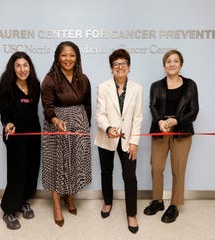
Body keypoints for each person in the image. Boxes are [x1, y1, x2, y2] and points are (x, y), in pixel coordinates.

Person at [143, 49, 199, 223]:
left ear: (181, 64)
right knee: (156, 167)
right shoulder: (156, 85)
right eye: (168, 61)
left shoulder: (190, 85)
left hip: (181, 131)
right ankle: (158, 200)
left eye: (175, 61)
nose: (172, 64)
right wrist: (160, 121)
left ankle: (174, 205)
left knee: (178, 170)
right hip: (161, 130)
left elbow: (194, 111)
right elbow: (152, 106)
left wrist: (176, 121)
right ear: (164, 65)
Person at [41, 41, 92, 227]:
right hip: (56, 125)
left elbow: (87, 105)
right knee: (57, 165)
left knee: (75, 162)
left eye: (72, 55)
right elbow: (47, 108)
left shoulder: (83, 79)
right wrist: (56, 121)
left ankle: (70, 197)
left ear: (77, 57)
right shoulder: (49, 79)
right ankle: (56, 204)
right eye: (64, 55)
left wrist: (85, 126)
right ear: (57, 57)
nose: (68, 59)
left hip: (79, 125)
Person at [95, 49, 143, 234]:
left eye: (123, 63)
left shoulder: (137, 88)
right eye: (116, 64)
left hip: (128, 140)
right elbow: (100, 114)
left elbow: (137, 117)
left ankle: (131, 213)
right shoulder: (103, 86)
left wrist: (134, 141)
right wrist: (108, 129)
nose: (120, 67)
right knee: (106, 172)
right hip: (107, 137)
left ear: (129, 67)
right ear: (111, 68)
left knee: (130, 177)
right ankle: (107, 202)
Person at [0, 51, 41, 230]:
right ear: (12, 69)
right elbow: (4, 115)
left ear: (30, 67)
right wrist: (7, 125)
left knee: (31, 170)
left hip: (34, 135)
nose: (22, 69)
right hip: (16, 137)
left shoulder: (35, 84)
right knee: (17, 172)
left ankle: (23, 201)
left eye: (25, 65)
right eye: (18, 66)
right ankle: (8, 210)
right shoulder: (6, 88)